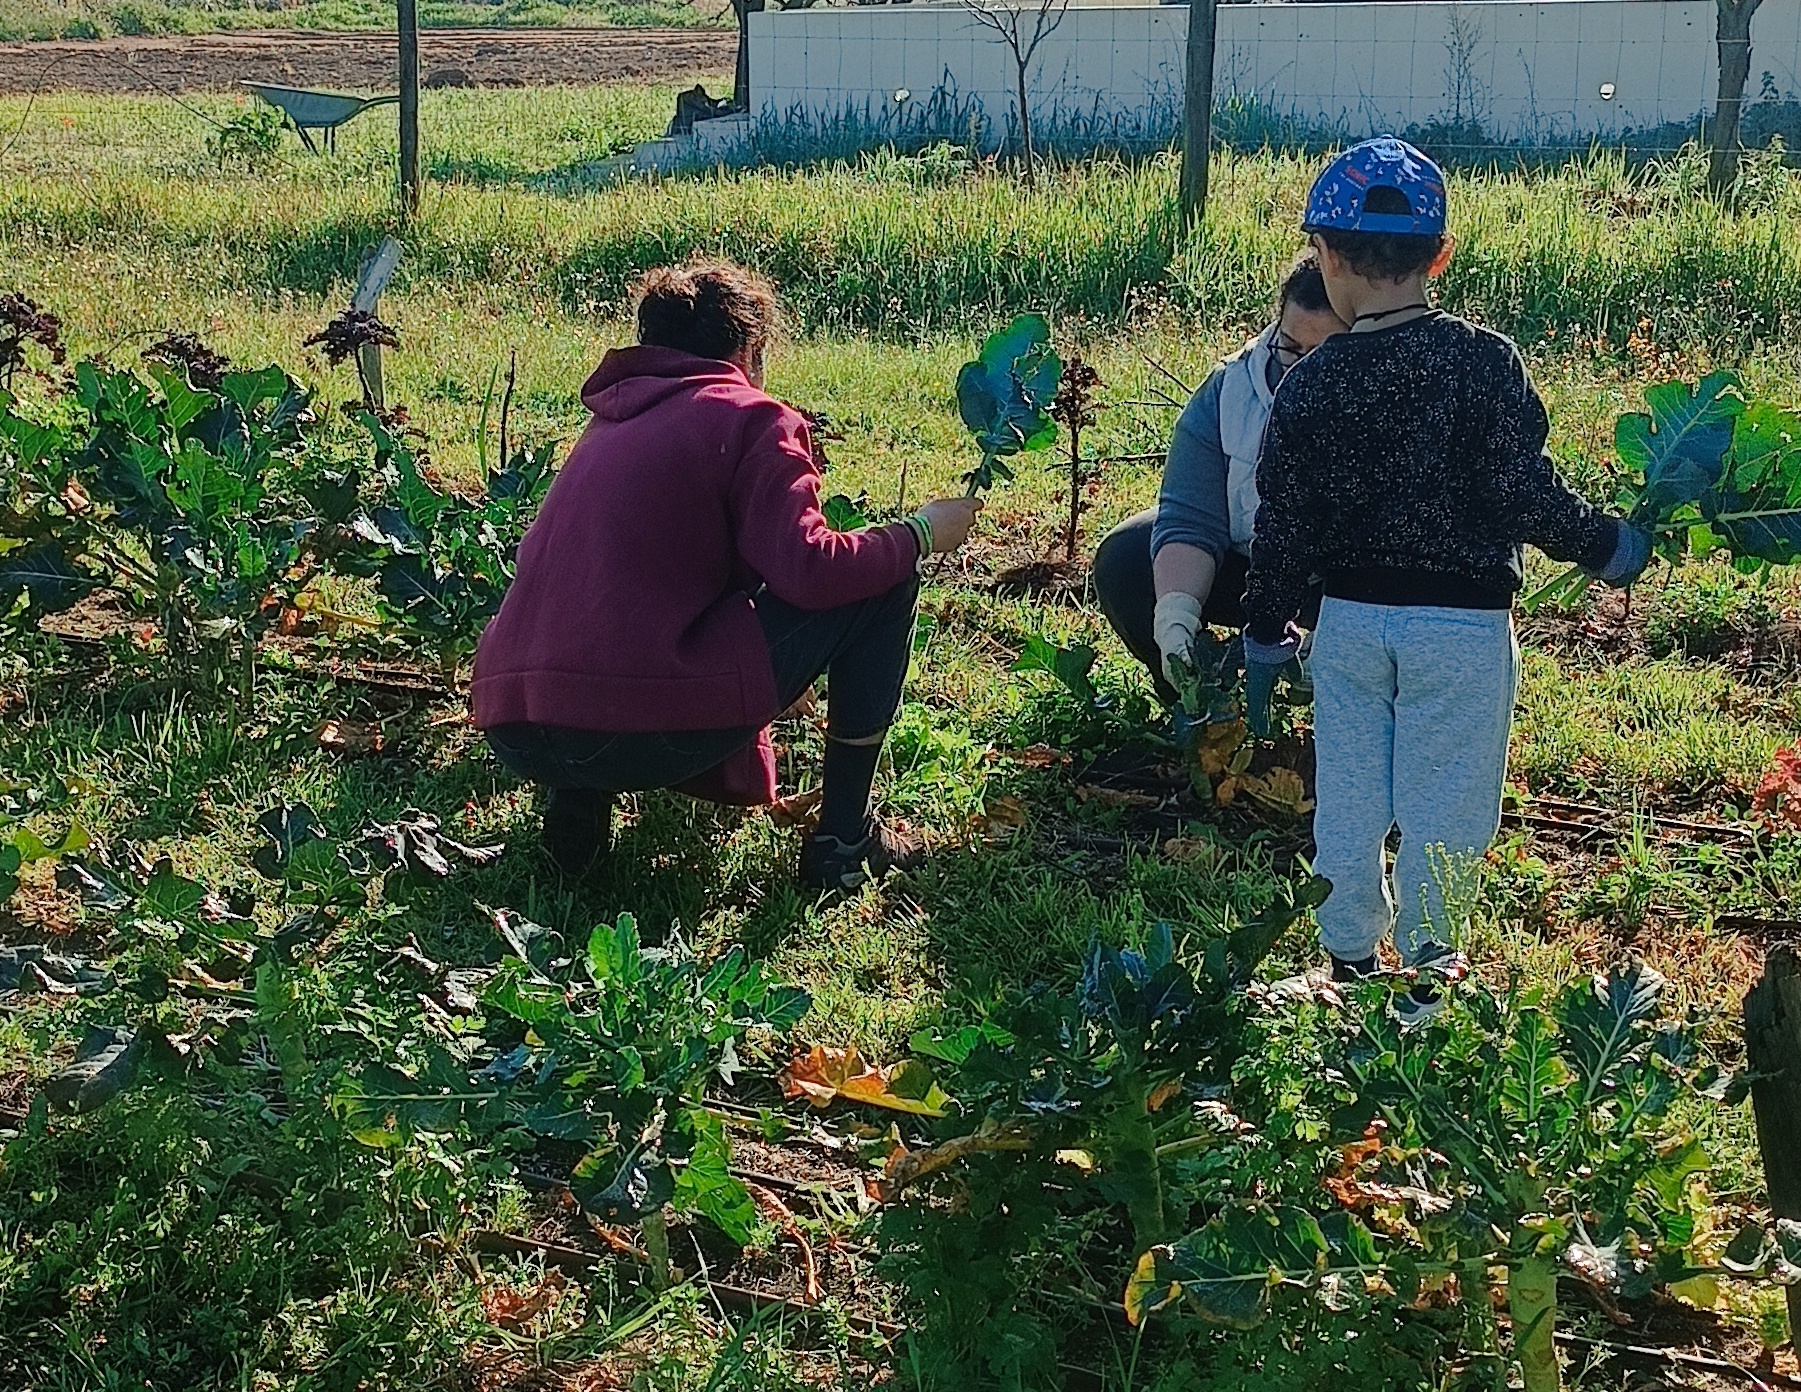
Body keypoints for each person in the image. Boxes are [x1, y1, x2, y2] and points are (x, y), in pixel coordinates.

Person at [1240, 137, 1652, 1023]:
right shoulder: (1482, 362)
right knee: (1446, 807)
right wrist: (1602, 544)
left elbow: (1284, 521)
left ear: (1325, 254)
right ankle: (1427, 979)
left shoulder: (1311, 384)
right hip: (1459, 629)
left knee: (1348, 798)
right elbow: (1518, 490)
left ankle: (1348, 961)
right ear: (1439, 256)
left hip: (1349, 624)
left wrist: (1265, 629)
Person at [470, 260, 983, 890]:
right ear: (748, 348)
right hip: (632, 730)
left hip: (515, 725)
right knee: (886, 579)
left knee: (603, 616)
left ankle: (576, 804)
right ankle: (844, 840)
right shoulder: (751, 415)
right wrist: (920, 533)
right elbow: (811, 570)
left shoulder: (609, 421)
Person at [1092, 255, 1346, 700]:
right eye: (1290, 348)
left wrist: (1340, 637)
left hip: (1346, 586)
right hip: (1247, 566)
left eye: (1322, 356)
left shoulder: (1390, 400)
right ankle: (1196, 701)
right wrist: (1175, 618)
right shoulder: (1229, 389)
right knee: (1126, 557)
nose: (1298, 371)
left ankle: (1341, 699)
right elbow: (1191, 518)